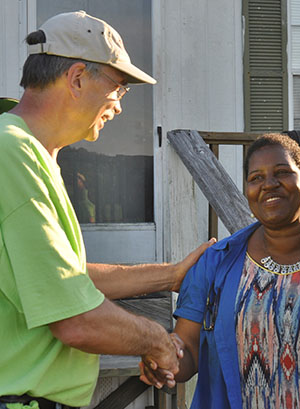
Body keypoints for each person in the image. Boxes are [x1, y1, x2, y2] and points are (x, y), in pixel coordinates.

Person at [0, 10, 214, 409]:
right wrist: (157, 342)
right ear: (77, 78)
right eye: (118, 87)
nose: (118, 106)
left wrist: (170, 275)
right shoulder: (14, 153)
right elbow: (74, 320)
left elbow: (63, 279)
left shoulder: (28, 150)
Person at [141, 133, 300, 408]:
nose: (268, 184)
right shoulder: (216, 262)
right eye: (256, 178)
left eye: (282, 172)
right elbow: (188, 350)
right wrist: (164, 360)